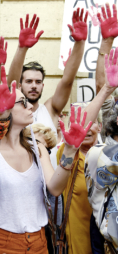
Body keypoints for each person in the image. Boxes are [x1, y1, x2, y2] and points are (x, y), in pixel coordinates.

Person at [0, 65, 91, 254]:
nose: (31, 106)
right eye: (22, 103)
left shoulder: (36, 147)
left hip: (40, 242)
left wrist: (70, 151)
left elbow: (55, 188)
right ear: (3, 108)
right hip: (2, 243)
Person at [55, 45, 118, 254]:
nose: (87, 127)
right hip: (78, 243)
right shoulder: (69, 154)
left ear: (100, 126)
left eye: (92, 122)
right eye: (82, 122)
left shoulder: (106, 151)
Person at [7, 10, 86, 169]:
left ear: (43, 85)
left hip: (49, 186)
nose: (34, 85)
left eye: (38, 81)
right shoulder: (11, 110)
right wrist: (22, 48)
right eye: (29, 81)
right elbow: (11, 85)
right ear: (21, 85)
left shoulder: (51, 108)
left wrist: (80, 43)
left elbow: (67, 81)